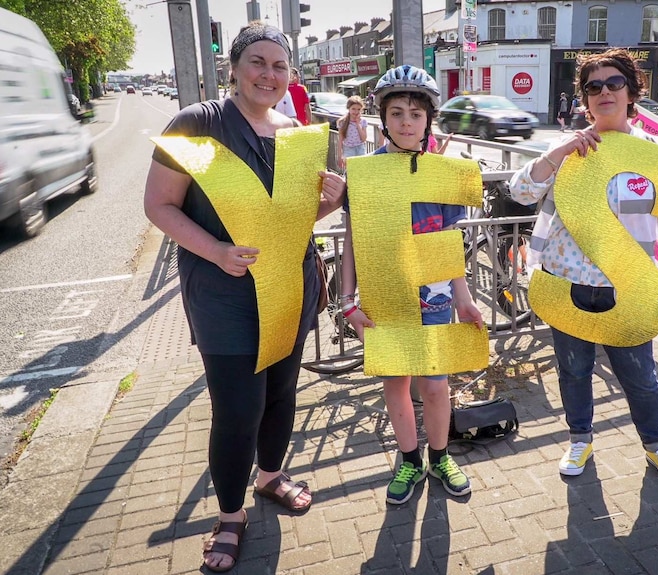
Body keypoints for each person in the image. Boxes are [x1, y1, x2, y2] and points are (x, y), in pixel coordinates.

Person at [143, 23, 346, 572]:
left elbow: (292, 223)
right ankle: (230, 516)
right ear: (233, 67)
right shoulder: (197, 124)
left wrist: (330, 203)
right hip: (224, 293)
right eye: (258, 62)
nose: (269, 74)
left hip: (290, 286)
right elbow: (159, 206)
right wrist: (215, 251)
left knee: (281, 396)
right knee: (237, 411)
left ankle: (271, 477)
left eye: (280, 66)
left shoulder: (297, 131)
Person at [508, 48, 658, 486]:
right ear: (584, 98)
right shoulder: (566, 148)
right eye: (594, 86)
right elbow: (520, 192)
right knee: (573, 371)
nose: (604, 92)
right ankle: (580, 438)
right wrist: (561, 152)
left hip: (628, 286)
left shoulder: (655, 153)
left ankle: (656, 446)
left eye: (614, 84)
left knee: (641, 378)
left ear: (632, 92)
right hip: (564, 281)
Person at [339, 64, 484, 505]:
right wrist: (346, 301)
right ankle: (408, 459)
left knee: (436, 385)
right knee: (396, 385)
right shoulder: (364, 173)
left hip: (436, 296)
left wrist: (465, 298)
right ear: (382, 119)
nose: (406, 122)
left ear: (428, 120)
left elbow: (449, 244)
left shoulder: (442, 172)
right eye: (397, 112)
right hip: (386, 298)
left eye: (416, 114)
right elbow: (352, 242)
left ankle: (440, 455)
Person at [337, 95, 368, 170]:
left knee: (361, 169)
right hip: (348, 148)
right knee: (350, 170)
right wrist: (339, 156)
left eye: (358, 109)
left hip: (360, 148)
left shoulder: (363, 121)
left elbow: (363, 138)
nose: (356, 112)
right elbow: (340, 140)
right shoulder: (342, 122)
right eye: (353, 109)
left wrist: (358, 124)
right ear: (349, 108)